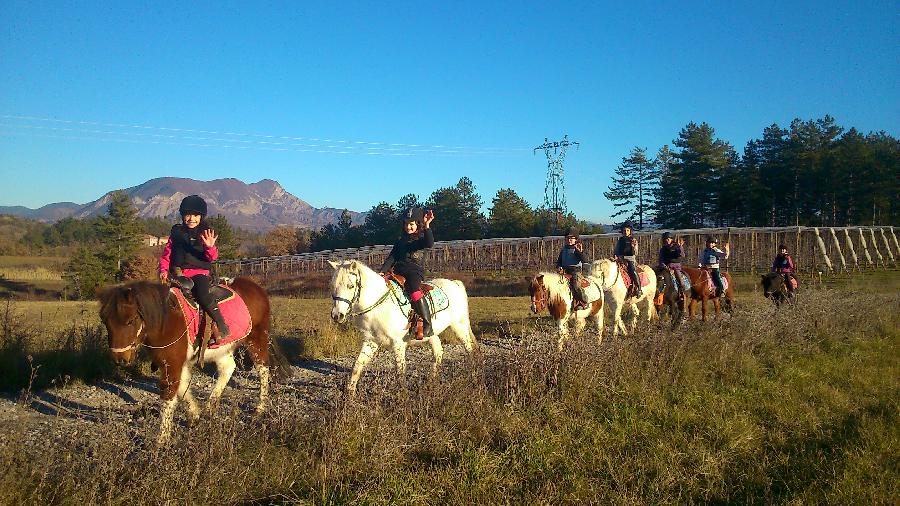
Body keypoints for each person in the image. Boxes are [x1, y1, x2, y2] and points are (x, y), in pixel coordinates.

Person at [159, 195, 230, 342]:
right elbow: (167, 254)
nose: (191, 218)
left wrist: (210, 247)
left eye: (196, 215)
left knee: (203, 295)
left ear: (201, 217)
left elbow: (212, 257)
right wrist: (163, 270)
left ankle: (221, 325)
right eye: (188, 214)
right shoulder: (176, 233)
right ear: (183, 215)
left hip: (199, 273)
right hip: (177, 273)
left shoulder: (205, 233)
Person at [379, 207, 436, 339]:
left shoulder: (421, 238)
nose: (408, 227)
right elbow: (392, 257)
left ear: (418, 224)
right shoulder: (400, 241)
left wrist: (427, 226)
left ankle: (428, 324)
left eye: (411, 224)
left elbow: (430, 243)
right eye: (406, 224)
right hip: (398, 271)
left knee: (414, 290)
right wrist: (382, 272)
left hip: (414, 272)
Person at [556, 227, 589, 309]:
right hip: (564, 271)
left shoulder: (577, 249)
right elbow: (559, 261)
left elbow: (584, 260)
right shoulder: (563, 250)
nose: (569, 240)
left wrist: (580, 252)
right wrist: (559, 266)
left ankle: (584, 301)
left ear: (576, 239)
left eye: (571, 238)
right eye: (567, 238)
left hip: (575, 271)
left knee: (576, 285)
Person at [614, 222, 642, 297]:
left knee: (632, 270)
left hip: (630, 259)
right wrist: (616, 256)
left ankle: (639, 289)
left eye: (627, 230)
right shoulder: (620, 240)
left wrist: (633, 247)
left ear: (630, 231)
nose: (625, 232)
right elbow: (616, 250)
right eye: (624, 231)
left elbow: (635, 253)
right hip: (620, 258)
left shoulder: (633, 240)